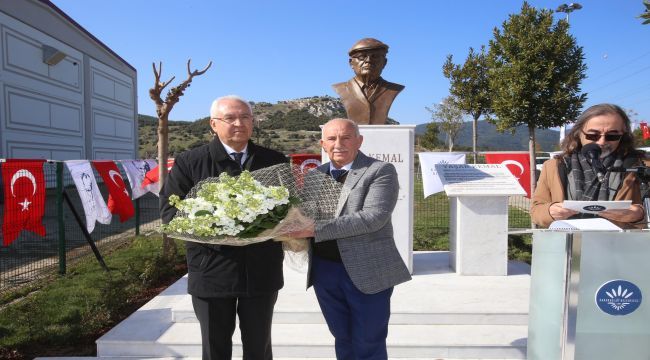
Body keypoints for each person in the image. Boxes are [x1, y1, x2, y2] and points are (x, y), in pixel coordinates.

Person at [160, 95, 287, 360]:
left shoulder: (275, 160)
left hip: (262, 270)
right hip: (211, 270)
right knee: (215, 348)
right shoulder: (190, 162)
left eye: (245, 117)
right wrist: (219, 225)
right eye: (230, 118)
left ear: (253, 122)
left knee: (259, 348)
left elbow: (291, 208)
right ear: (213, 124)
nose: (239, 123)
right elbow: (170, 214)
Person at [293, 118, 411, 360]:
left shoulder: (379, 171)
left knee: (369, 341)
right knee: (342, 337)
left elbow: (372, 218)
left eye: (346, 137)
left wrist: (313, 229)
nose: (339, 144)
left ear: (359, 141)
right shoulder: (315, 176)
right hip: (325, 271)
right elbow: (304, 214)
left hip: (367, 270)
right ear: (323, 144)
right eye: (332, 139)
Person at [531, 103, 646, 228]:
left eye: (612, 135)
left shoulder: (641, 165)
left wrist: (640, 215)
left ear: (623, 136)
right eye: (593, 135)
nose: (602, 142)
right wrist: (550, 211)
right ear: (578, 133)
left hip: (621, 244)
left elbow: (644, 211)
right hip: (568, 243)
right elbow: (536, 211)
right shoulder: (554, 166)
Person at [332, 38, 404, 125]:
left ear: (384, 63)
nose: (368, 60)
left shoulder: (393, 89)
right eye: (361, 57)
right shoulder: (341, 88)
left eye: (375, 56)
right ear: (351, 63)